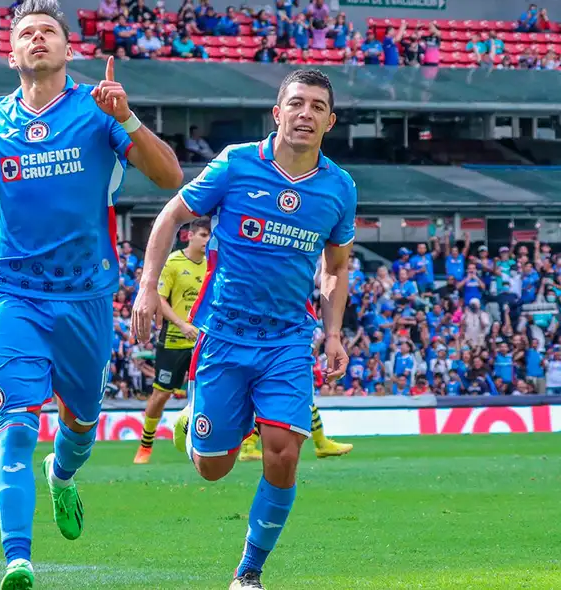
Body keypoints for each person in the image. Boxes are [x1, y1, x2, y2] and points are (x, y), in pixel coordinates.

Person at [0, 0, 182, 585]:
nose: (37, 39)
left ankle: (62, 476)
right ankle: (18, 560)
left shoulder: (99, 111)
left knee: (80, 426)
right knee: (17, 427)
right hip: (14, 294)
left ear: (68, 49)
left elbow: (169, 178)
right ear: (11, 55)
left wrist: (129, 118)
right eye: (26, 33)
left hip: (85, 298)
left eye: (48, 32)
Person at [131, 69, 356, 590]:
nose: (306, 113)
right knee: (214, 468)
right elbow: (171, 215)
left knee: (283, 453)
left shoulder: (338, 188)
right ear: (277, 113)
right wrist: (147, 286)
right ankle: (192, 425)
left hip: (287, 341)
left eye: (317, 107)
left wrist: (335, 333)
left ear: (330, 121)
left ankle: (248, 572)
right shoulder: (235, 164)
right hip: (225, 335)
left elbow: (337, 266)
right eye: (296, 103)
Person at [133, 216, 210, 464]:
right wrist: (181, 324)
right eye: (203, 236)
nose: (207, 241)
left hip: (203, 341)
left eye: (210, 236)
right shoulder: (174, 263)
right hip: (175, 339)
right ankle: (145, 446)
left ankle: (202, 444)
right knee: (161, 393)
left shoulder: (212, 263)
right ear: (190, 236)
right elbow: (159, 299)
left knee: (207, 391)